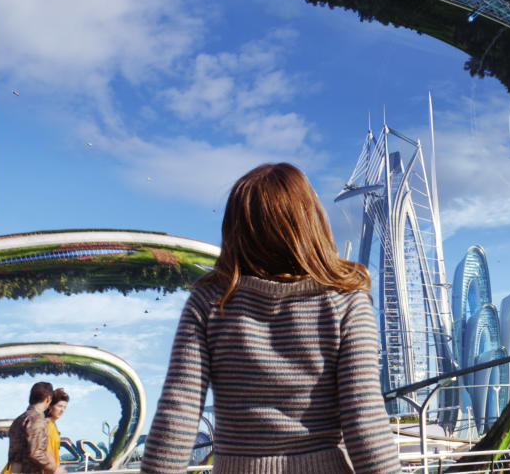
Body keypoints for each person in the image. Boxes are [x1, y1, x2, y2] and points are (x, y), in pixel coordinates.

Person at [140, 163, 401, 474]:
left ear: (236, 230)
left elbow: (178, 412)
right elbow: (364, 419)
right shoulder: (346, 302)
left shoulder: (210, 301)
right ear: (310, 222)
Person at [5, 381, 67, 474]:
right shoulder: (37, 420)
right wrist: (55, 469)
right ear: (48, 399)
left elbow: (14, 457)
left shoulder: (18, 420)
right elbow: (36, 454)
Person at [44, 389, 69, 468]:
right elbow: (47, 453)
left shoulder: (52, 425)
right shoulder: (47, 425)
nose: (62, 410)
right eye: (59, 406)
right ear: (50, 406)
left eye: (65, 407)